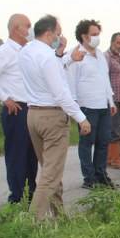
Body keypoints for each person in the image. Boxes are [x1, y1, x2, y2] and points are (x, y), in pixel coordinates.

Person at [18, 15, 91, 219]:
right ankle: (33, 222)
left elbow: (53, 72)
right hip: (52, 117)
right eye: (58, 33)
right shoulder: (47, 56)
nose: (60, 37)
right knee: (50, 175)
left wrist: (66, 58)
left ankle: (60, 216)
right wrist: (80, 117)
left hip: (33, 115)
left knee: (51, 169)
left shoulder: (26, 52)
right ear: (48, 33)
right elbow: (60, 93)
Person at [0, 14, 38, 203]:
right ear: (16, 28)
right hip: (16, 109)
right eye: (27, 26)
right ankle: (17, 197)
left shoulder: (27, 52)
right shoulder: (4, 52)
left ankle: (31, 194)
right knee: (17, 155)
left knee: (31, 155)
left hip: (32, 107)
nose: (30, 29)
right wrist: (5, 98)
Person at [66, 19, 117, 189]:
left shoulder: (101, 55)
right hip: (87, 106)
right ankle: (89, 178)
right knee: (87, 143)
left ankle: (101, 174)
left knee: (103, 142)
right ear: (84, 36)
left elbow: (105, 79)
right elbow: (71, 83)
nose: (97, 38)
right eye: (94, 34)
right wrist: (75, 109)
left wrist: (111, 100)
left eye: (98, 34)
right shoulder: (76, 55)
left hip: (103, 106)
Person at [106, 32, 120, 169]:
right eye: (118, 43)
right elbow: (104, 79)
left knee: (115, 128)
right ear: (112, 42)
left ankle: (109, 158)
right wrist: (110, 100)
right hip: (111, 100)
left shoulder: (119, 59)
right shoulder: (107, 57)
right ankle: (115, 159)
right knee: (113, 129)